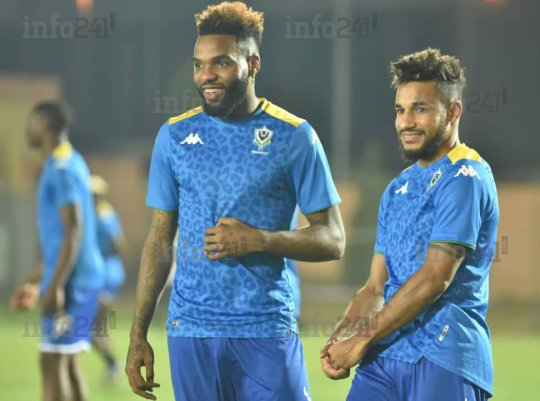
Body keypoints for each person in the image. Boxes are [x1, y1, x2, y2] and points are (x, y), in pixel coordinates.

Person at [125, 2, 345, 401]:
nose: (206, 75)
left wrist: (260, 239)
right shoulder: (174, 137)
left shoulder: (294, 136)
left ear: (253, 63)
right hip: (191, 332)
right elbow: (159, 238)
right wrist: (138, 333)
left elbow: (332, 239)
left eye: (221, 63)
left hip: (265, 330)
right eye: (199, 64)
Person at [320, 48, 499, 401]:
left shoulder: (465, 177)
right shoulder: (397, 188)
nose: (406, 122)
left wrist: (361, 339)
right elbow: (375, 287)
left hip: (443, 356)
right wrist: (342, 335)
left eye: (420, 109)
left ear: (453, 111)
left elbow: (435, 277)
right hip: (383, 358)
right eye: (400, 110)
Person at [10, 100, 105, 401]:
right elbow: (59, 241)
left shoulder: (62, 167)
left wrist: (56, 286)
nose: (28, 129)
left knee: (52, 362)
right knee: (67, 361)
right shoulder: (66, 160)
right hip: (77, 277)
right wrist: (35, 281)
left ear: (45, 125)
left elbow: (73, 228)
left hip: (74, 282)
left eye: (32, 123)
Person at [90, 174, 127, 382]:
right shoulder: (94, 213)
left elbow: (118, 243)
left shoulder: (104, 215)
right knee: (97, 327)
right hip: (102, 272)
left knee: (91, 326)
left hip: (106, 274)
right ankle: (112, 365)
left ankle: (113, 364)